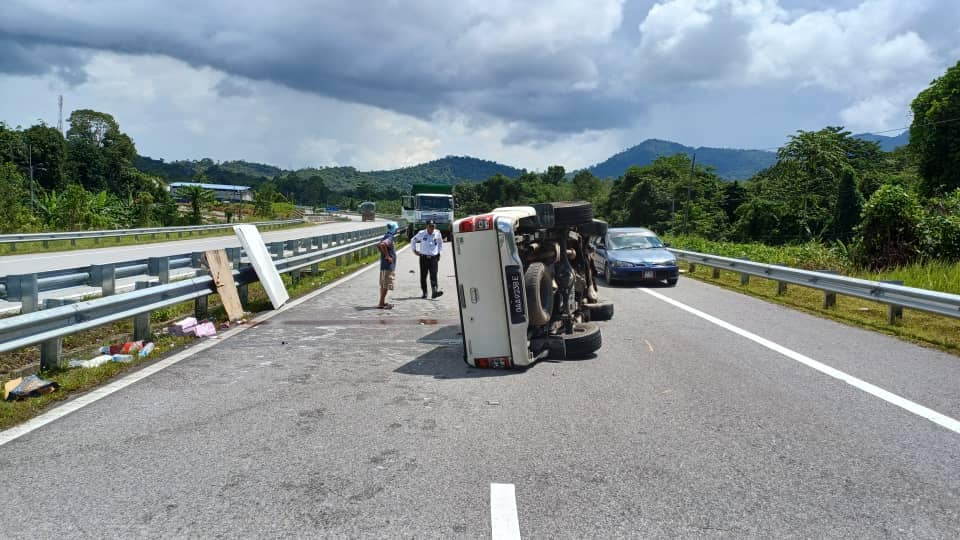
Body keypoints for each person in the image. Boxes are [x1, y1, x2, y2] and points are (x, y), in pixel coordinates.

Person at [412, 220, 444, 299]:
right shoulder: (421, 233)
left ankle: (434, 292)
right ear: (427, 226)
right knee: (423, 276)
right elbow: (413, 240)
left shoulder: (437, 233)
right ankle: (425, 292)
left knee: (434, 275)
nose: (432, 228)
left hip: (434, 258)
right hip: (424, 258)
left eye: (433, 226)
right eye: (430, 226)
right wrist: (414, 250)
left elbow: (440, 243)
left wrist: (439, 253)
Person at [376, 222, 398, 309]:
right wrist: (387, 256)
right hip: (388, 265)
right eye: (396, 228)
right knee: (386, 284)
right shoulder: (390, 237)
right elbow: (382, 244)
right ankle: (381, 303)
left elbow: (378, 245)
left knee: (383, 284)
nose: (397, 230)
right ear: (394, 229)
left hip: (384, 265)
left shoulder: (386, 235)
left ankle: (382, 302)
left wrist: (383, 253)